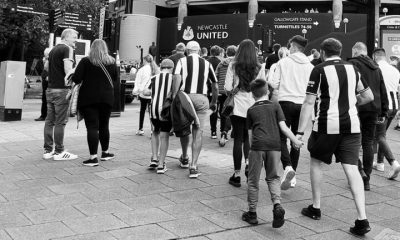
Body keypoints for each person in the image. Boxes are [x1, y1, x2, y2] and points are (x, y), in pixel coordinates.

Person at [296, 38, 373, 236]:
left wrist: (299, 132)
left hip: (326, 125)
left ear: (322, 52)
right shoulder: (353, 68)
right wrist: (349, 102)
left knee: (315, 161)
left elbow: (308, 102)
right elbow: (368, 96)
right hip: (352, 125)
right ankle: (362, 218)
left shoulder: (319, 70)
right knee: (352, 168)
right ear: (340, 50)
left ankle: (316, 207)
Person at [242, 79, 303, 227]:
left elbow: (250, 136)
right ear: (267, 92)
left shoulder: (251, 110)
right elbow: (283, 128)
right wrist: (295, 140)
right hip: (275, 147)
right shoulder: (276, 106)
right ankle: (277, 205)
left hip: (257, 147)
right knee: (273, 178)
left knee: (253, 181)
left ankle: (252, 214)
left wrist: (249, 157)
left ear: (252, 95)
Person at [271, 35, 314, 190]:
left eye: (290, 46)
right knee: (297, 138)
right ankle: (293, 174)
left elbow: (274, 83)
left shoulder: (283, 62)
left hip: (285, 103)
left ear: (294, 47)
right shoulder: (310, 66)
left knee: (281, 137)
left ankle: (288, 167)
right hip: (302, 105)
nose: (288, 48)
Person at [172, 41, 218, 178]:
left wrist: (175, 97)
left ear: (187, 50)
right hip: (201, 99)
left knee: (185, 128)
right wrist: (214, 102)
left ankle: (185, 157)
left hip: (185, 98)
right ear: (198, 51)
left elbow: (177, 78)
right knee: (198, 131)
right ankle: (194, 165)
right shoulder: (207, 63)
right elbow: (215, 85)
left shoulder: (181, 61)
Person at [225, 39, 266, 187]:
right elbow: (262, 88)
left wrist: (236, 88)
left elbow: (227, 87)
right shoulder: (259, 67)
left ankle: (236, 175)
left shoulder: (233, 65)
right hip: (253, 106)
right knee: (249, 138)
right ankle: (248, 164)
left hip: (237, 106)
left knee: (238, 139)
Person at [349, 42, 388, 191]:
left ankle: (359, 171)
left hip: (357, 107)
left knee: (351, 141)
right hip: (373, 108)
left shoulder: (352, 64)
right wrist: (383, 111)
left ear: (355, 51)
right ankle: (367, 178)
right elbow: (382, 89)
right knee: (368, 142)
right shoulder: (376, 67)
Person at [71, 39, 117, 167]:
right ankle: (105, 153)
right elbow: (115, 79)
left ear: (92, 48)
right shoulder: (112, 61)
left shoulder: (86, 61)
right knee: (104, 125)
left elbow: (77, 78)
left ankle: (93, 158)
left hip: (89, 99)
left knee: (92, 127)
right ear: (105, 48)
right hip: (107, 99)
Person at [43, 28, 78, 161]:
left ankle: (47, 151)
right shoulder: (67, 49)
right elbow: (68, 71)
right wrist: (74, 79)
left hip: (50, 89)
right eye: (74, 37)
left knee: (49, 121)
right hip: (62, 89)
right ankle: (59, 152)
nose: (76, 40)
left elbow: (46, 67)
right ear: (67, 37)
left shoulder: (52, 50)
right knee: (60, 122)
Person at [372, 48, 400, 178]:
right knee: (382, 135)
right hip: (394, 106)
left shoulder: (376, 69)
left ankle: (393, 163)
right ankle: (379, 163)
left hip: (383, 107)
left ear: (375, 56)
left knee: (379, 136)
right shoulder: (395, 70)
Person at [147, 59, 175, 174]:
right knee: (164, 136)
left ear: (161, 67)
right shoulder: (174, 78)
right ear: (171, 68)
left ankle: (154, 157)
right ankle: (161, 164)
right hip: (166, 111)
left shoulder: (154, 78)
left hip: (153, 109)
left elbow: (145, 91)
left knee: (155, 132)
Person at [133, 54, 160, 136]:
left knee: (142, 111)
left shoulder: (142, 70)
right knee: (152, 113)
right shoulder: (156, 69)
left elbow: (138, 81)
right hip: (153, 94)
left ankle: (141, 129)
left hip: (143, 94)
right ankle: (152, 130)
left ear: (145, 60)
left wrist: (135, 91)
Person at [215, 45, 236, 145]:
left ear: (227, 53)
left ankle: (223, 131)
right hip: (233, 91)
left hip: (221, 91)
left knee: (223, 111)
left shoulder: (221, 63)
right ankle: (233, 132)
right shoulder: (236, 64)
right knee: (233, 111)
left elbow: (216, 76)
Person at [207, 45, 221, 139]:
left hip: (208, 89)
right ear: (219, 53)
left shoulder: (206, 62)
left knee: (212, 110)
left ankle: (213, 131)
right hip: (219, 88)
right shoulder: (221, 62)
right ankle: (223, 131)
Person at [35, 48, 52, 121]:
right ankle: (43, 115)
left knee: (49, 99)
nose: (46, 57)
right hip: (45, 80)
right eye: (45, 55)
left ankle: (47, 116)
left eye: (47, 55)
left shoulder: (52, 60)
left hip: (50, 81)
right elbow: (42, 69)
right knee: (44, 98)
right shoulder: (43, 60)